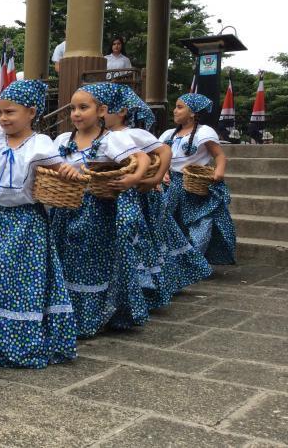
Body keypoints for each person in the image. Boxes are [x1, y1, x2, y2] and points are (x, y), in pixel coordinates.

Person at [0, 80, 78, 368]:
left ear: (31, 112)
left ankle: (20, 342)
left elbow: (59, 167)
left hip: (27, 224)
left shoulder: (40, 143)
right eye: (1, 112)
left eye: (10, 112)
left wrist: (68, 170)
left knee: (20, 282)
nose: (3, 118)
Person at [50, 83, 150, 338]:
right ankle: (66, 313)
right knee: (65, 260)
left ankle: (90, 317)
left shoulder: (111, 139)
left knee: (89, 262)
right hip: (65, 207)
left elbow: (143, 158)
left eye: (83, 107)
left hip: (95, 210)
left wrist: (133, 178)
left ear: (102, 110)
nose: (76, 114)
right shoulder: (63, 140)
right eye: (73, 108)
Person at [104, 85, 211, 308]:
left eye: (104, 109)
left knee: (147, 239)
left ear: (122, 111)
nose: (99, 114)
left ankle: (151, 283)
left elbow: (165, 151)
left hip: (141, 197)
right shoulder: (102, 137)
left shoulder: (134, 134)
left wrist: (156, 178)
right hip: (113, 196)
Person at [160, 93, 236, 265]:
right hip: (171, 185)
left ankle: (194, 262)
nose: (175, 111)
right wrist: (163, 172)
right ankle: (173, 260)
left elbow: (219, 156)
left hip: (195, 186)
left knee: (200, 222)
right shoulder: (168, 134)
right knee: (170, 221)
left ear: (193, 112)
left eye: (180, 107)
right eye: (175, 107)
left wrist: (219, 172)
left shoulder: (204, 132)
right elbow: (160, 158)